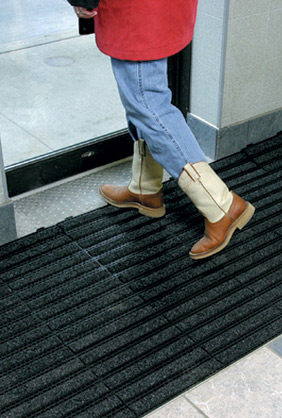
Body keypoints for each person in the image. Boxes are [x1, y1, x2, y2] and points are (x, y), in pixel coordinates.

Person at [68, 0, 255, 259]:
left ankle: (221, 205)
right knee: (139, 98)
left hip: (135, 9)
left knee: (148, 103)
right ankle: (145, 188)